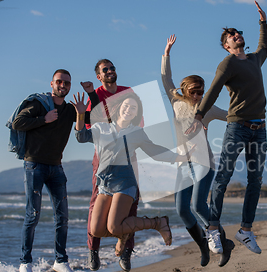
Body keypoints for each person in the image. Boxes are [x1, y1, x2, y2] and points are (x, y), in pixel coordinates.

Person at [187, 1, 267, 255]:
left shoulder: (255, 59)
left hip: (259, 128)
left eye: (237, 32)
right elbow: (213, 90)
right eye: (231, 36)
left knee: (255, 180)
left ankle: (245, 230)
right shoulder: (228, 63)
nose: (236, 36)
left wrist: (263, 22)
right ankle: (212, 228)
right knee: (223, 177)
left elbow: (265, 46)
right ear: (227, 45)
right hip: (237, 127)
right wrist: (199, 114)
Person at [75, 91, 193, 257]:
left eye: (133, 108)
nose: (129, 109)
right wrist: (80, 115)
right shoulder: (101, 127)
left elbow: (155, 151)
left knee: (114, 226)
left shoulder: (137, 132)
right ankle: (124, 234)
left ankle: (158, 223)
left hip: (125, 182)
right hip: (104, 184)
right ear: (119, 108)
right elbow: (81, 137)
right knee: (96, 230)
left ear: (137, 113)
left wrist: (180, 157)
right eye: (126, 105)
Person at [12, 69, 97, 272]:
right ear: (52, 84)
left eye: (67, 83)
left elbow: (95, 117)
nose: (63, 86)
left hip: (56, 168)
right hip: (34, 165)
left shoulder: (70, 110)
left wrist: (88, 98)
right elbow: (18, 123)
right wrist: (44, 119)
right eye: (59, 82)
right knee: (33, 214)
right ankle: (25, 263)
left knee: (63, 217)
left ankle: (60, 260)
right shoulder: (40, 104)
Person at [162, 34, 234, 267]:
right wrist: (167, 54)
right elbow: (166, 78)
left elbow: (231, 116)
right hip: (183, 163)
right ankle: (204, 245)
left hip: (204, 162)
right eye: (194, 91)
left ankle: (222, 240)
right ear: (184, 90)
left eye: (201, 91)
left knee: (197, 205)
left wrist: (244, 100)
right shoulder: (176, 102)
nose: (198, 95)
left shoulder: (208, 108)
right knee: (182, 210)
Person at [85, 59, 142, 272]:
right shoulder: (97, 95)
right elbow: (92, 127)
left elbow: (138, 118)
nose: (110, 71)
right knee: (96, 202)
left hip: (129, 153)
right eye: (105, 69)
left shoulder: (128, 91)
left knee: (132, 201)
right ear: (99, 76)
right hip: (105, 156)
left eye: (112, 68)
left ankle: (126, 250)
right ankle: (93, 250)